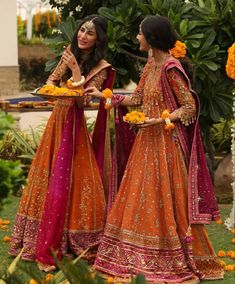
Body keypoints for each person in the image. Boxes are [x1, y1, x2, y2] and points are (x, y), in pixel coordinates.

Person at [90, 15, 224, 283]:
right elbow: (138, 98)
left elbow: (189, 107)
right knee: (137, 198)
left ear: (151, 37)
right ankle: (131, 253)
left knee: (163, 200)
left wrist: (161, 119)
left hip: (165, 146)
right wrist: (106, 96)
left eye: (140, 33)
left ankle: (169, 256)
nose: (137, 38)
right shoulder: (151, 65)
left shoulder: (170, 69)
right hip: (145, 144)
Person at [9, 15, 115, 271]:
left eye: (89, 33)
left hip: (75, 130)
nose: (82, 36)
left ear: (98, 38)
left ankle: (69, 238)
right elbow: (51, 81)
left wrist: (77, 73)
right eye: (81, 31)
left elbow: (83, 103)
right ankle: (38, 236)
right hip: (57, 124)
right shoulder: (68, 54)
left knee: (72, 183)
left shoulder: (102, 68)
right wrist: (51, 89)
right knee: (47, 178)